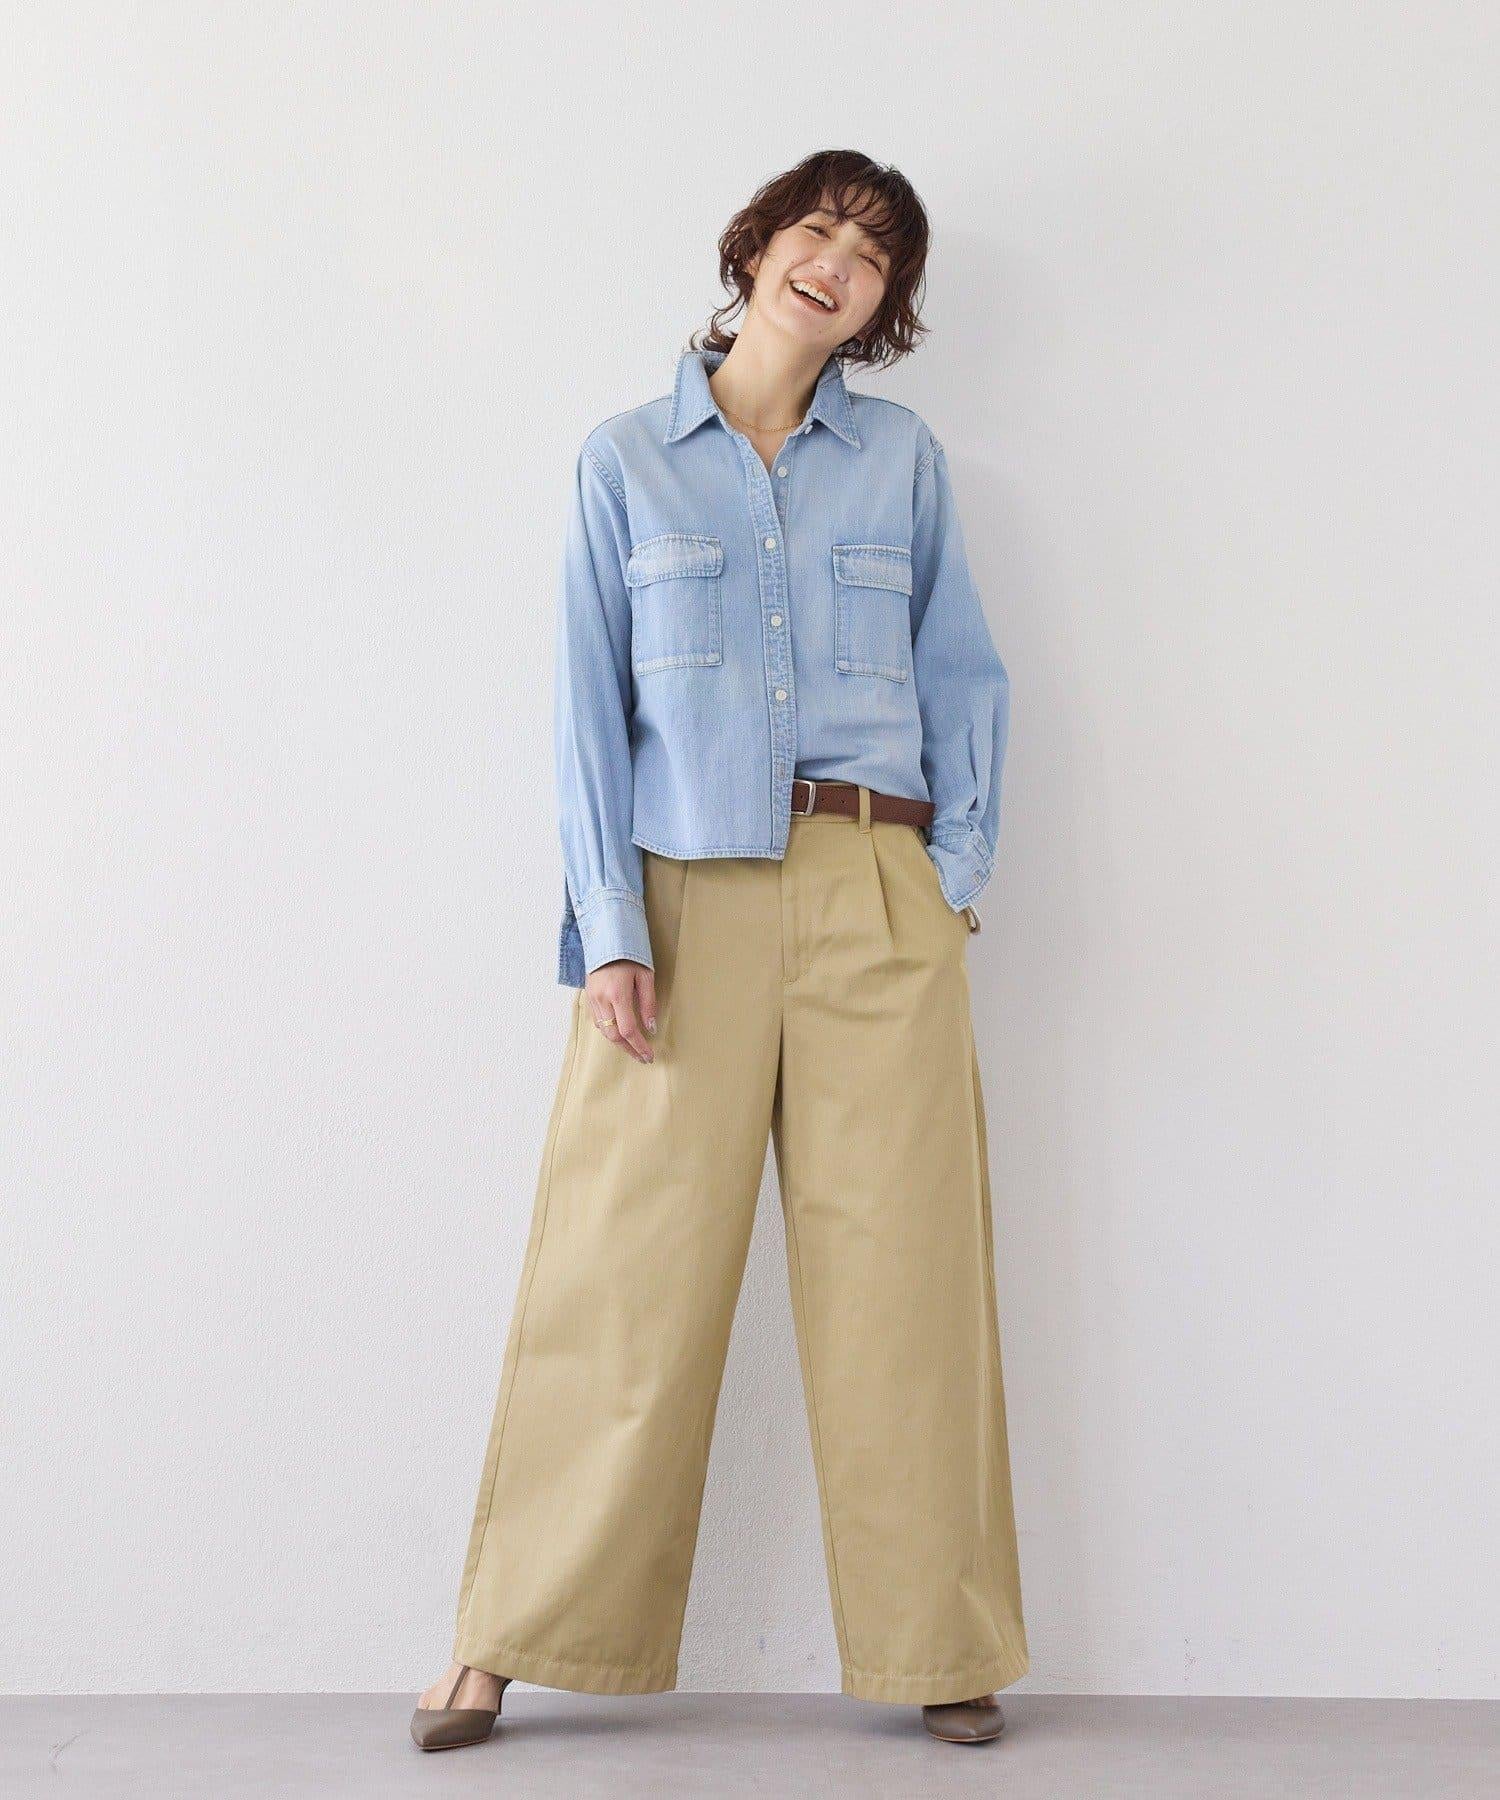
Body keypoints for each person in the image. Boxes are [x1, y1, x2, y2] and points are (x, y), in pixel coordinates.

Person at [411, 148, 1027, 1752]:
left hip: (875, 892)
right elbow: (584, 718)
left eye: (875, 255)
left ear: (884, 308)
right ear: (757, 247)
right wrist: (609, 928)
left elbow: (963, 670)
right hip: (681, 908)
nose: (839, 261)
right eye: (820, 228)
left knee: (904, 1281)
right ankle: (504, 1633)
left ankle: (940, 1638)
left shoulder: (901, 463)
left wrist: (948, 878)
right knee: (617, 1278)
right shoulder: (626, 459)